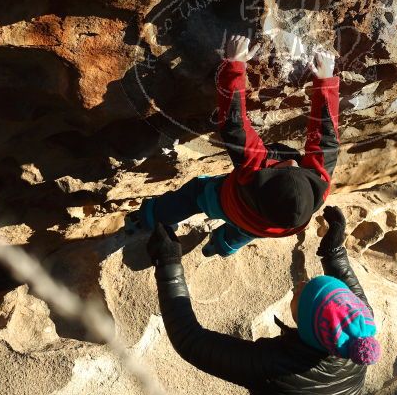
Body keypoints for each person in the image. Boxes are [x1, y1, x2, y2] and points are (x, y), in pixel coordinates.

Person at [150, 206, 380, 395]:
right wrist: (334, 251)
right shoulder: (360, 338)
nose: (299, 285)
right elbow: (350, 298)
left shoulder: (275, 367)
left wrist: (168, 265)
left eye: (302, 293)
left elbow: (190, 341)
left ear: (308, 324)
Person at [129, 35, 340, 257]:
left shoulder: (251, 173)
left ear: (263, 178)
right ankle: (222, 246)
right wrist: (326, 81)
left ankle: (148, 218)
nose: (290, 161)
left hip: (225, 203)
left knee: (194, 194)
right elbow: (325, 137)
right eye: (297, 167)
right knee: (246, 232)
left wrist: (235, 64)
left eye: (281, 167)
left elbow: (234, 124)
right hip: (265, 226)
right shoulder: (316, 194)